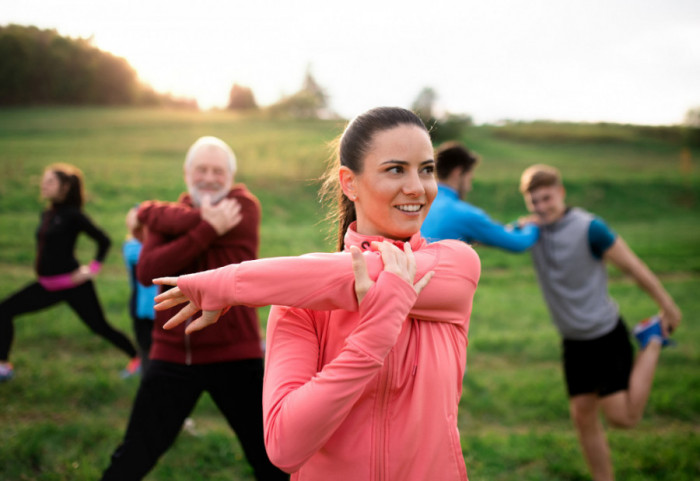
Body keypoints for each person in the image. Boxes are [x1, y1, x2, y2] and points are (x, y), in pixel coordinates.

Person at [152, 107, 482, 481]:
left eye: (426, 169)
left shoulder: (455, 264)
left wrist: (225, 284)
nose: (417, 187)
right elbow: (284, 448)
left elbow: (350, 273)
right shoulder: (300, 304)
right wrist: (373, 337)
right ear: (349, 182)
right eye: (395, 169)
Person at [100, 136, 287, 481]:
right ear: (187, 173)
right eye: (201, 169)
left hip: (235, 355)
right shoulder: (177, 218)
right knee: (134, 455)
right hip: (173, 355)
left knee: (270, 459)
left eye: (218, 171)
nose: (209, 177)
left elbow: (168, 242)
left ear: (231, 178)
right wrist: (208, 228)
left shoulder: (244, 208)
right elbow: (148, 271)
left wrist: (147, 213)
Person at [518, 164, 682, 481]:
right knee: (583, 417)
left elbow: (634, 267)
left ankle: (652, 341)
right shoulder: (532, 230)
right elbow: (495, 235)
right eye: (534, 201)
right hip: (573, 341)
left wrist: (667, 305)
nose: (541, 207)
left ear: (561, 193)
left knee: (624, 418)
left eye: (546, 198)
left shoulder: (590, 228)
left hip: (604, 336)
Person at [0, 163, 140, 383]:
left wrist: (91, 270)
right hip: (47, 286)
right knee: (4, 310)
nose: (43, 186)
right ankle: (4, 367)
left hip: (73, 286)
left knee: (99, 326)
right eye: (43, 181)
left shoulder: (73, 215)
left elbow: (104, 241)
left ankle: (138, 359)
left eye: (49, 182)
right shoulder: (47, 213)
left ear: (64, 187)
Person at [421, 141, 539, 251]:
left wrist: (516, 226)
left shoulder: (420, 205)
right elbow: (518, 242)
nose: (469, 187)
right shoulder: (463, 214)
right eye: (470, 178)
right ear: (458, 172)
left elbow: (492, 231)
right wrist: (532, 225)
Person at [122, 206, 158, 374]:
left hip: (159, 308)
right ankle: (145, 373)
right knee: (145, 345)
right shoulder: (131, 248)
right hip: (140, 307)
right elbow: (142, 257)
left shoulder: (157, 246)